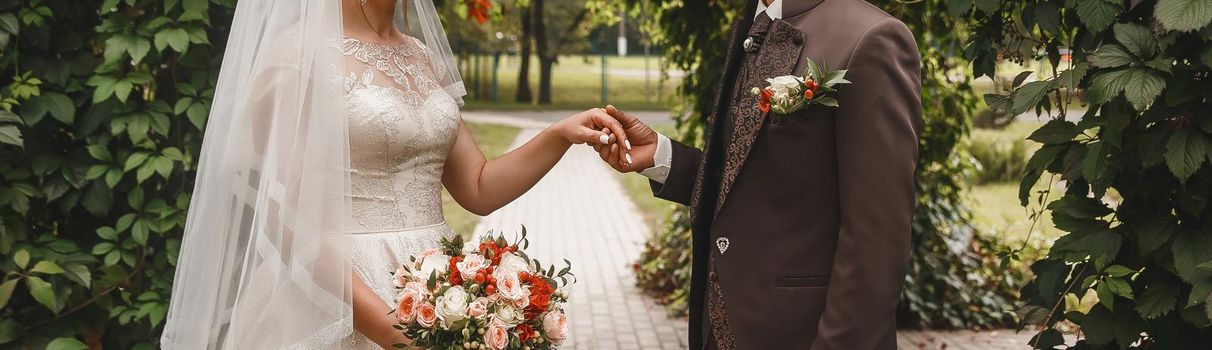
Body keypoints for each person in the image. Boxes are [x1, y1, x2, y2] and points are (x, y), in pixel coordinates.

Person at [160, 0, 630, 348]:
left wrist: (560, 135)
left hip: (440, 285)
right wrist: (393, 328)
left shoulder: (419, 55)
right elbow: (288, 222)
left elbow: (479, 188)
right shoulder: (296, 55)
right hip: (337, 296)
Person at [595, 0, 922, 348]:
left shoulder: (871, 37)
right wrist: (661, 157)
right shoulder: (754, 23)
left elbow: (877, 243)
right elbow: (753, 180)